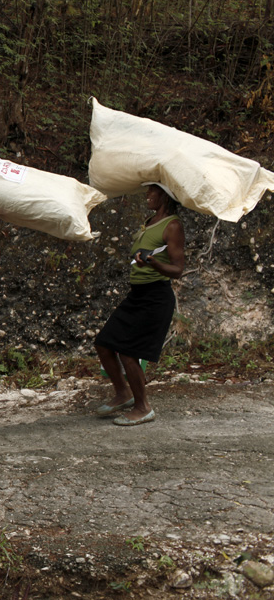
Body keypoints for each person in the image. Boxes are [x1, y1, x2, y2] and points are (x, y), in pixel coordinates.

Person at [94, 182, 185, 426]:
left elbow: (178, 269)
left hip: (156, 297)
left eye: (152, 191)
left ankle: (143, 407)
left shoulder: (172, 225)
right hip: (137, 295)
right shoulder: (151, 221)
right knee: (104, 343)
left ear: (164, 196)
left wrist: (154, 263)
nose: (147, 195)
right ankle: (123, 393)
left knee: (128, 351)